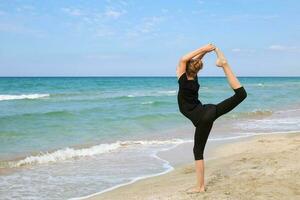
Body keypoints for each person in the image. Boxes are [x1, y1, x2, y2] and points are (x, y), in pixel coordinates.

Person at [176, 44, 247, 193]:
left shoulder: (183, 79)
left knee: (198, 152)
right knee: (241, 95)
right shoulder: (194, 77)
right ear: (195, 70)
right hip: (208, 111)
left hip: (202, 117)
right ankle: (224, 66)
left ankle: (200, 187)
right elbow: (189, 62)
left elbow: (184, 59)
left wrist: (203, 50)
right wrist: (206, 52)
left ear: (183, 70)